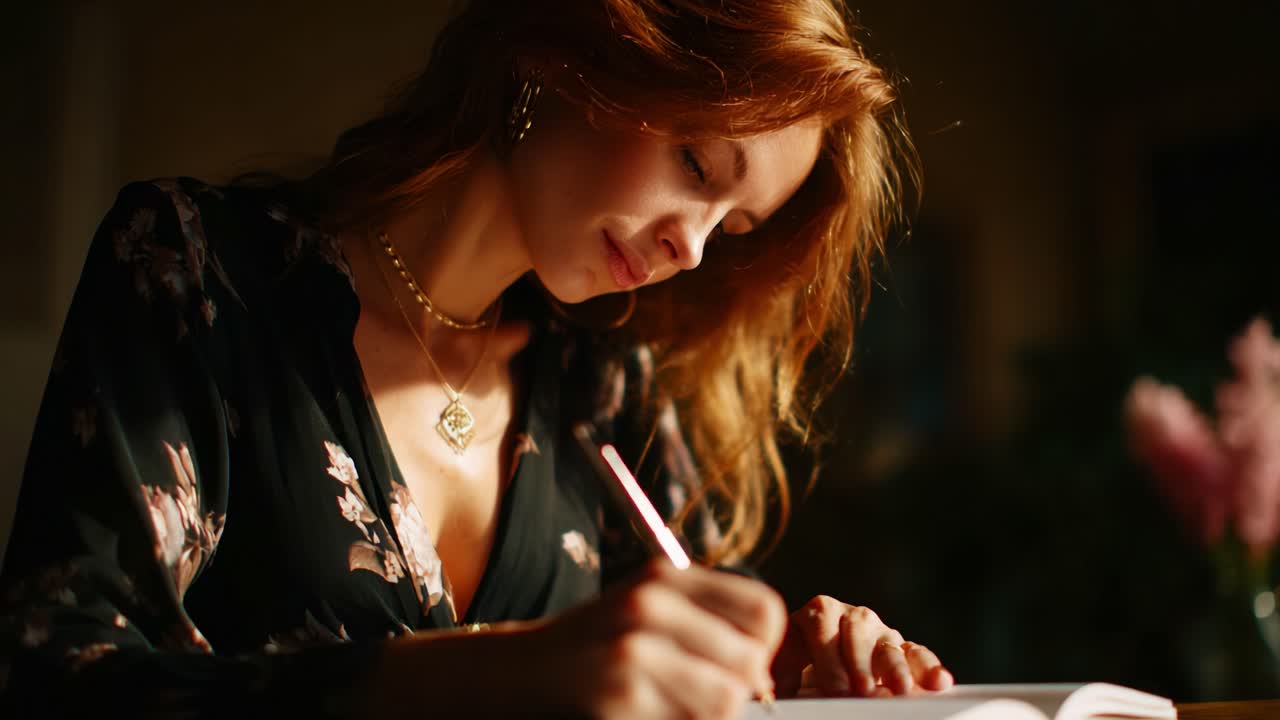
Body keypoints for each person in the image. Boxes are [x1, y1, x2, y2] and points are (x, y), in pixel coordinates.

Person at [0, 0, 953, 717]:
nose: (692, 248)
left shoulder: (605, 385)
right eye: (698, 166)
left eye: (733, 226)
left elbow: (714, 672)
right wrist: (492, 673)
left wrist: (793, 674)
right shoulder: (198, 270)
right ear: (570, 52)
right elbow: (55, 673)